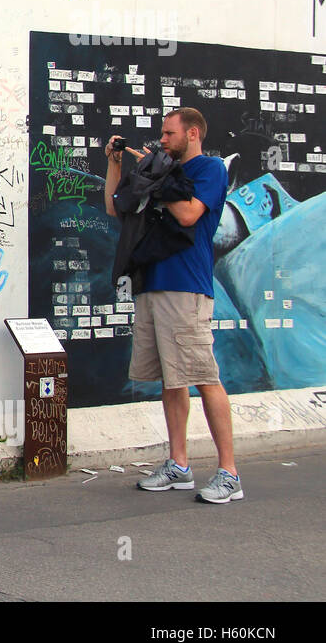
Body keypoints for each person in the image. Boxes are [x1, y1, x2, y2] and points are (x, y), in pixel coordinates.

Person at [104, 108, 242, 502]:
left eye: (169, 134)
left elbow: (187, 213)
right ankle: (179, 464)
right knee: (171, 379)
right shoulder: (160, 171)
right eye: (161, 135)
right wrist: (117, 165)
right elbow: (117, 206)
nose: (162, 140)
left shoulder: (208, 169)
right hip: (152, 284)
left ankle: (229, 472)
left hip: (186, 287)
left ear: (192, 133)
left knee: (203, 376)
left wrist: (158, 175)